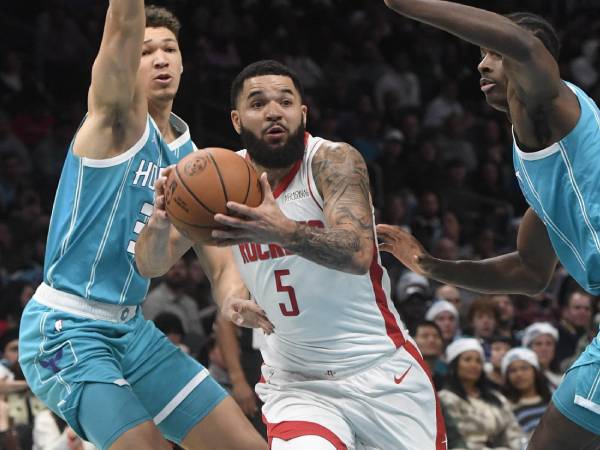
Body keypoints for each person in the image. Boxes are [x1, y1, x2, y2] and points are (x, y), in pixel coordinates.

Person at [18, 2, 268, 449]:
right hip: (66, 326)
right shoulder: (113, 123)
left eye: (169, 49)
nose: (159, 58)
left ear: (183, 62)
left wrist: (232, 300)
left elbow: (218, 262)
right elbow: (120, 30)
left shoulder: (197, 166)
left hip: (133, 331)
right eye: (146, 49)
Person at [379, 1, 600, 448]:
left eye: (492, 52)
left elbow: (520, 43)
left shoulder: (555, 103)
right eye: (481, 53)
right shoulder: (545, 161)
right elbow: (528, 272)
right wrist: (431, 265)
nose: (482, 62)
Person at [206, 59, 446, 449]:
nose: (273, 112)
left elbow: (356, 252)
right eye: (258, 103)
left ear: (302, 113)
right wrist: (233, 299)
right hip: (296, 383)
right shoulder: (222, 180)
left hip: (380, 370)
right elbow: (219, 268)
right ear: (236, 119)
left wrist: (282, 230)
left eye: (285, 101)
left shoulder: (332, 161)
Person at [439, 338, 523, 450]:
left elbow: (513, 433)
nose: (474, 365)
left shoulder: (496, 398)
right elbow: (456, 441)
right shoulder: (445, 398)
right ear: (455, 364)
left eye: (478, 361)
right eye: (467, 360)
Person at [501, 348, 552, 442]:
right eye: (513, 370)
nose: (519, 374)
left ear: (535, 372)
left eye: (524, 368)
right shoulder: (506, 406)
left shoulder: (553, 401)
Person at [521, 322, 562, 390]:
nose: (544, 349)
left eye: (549, 344)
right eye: (538, 344)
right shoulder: (524, 378)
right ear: (528, 348)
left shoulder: (564, 376)